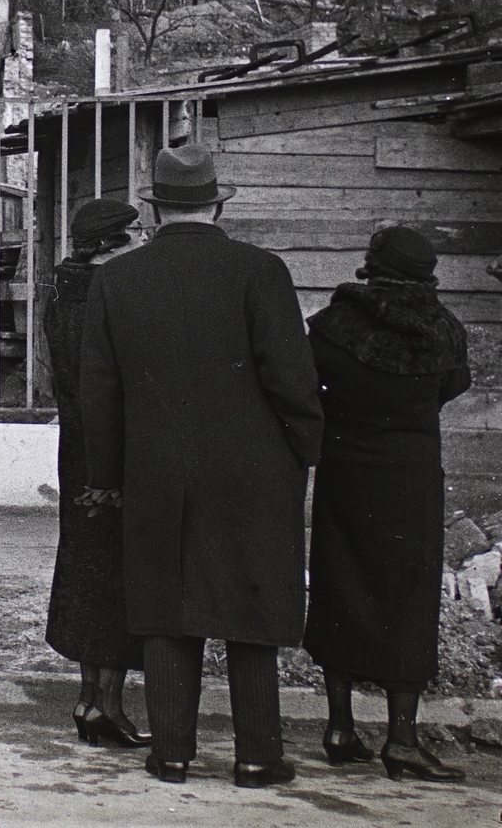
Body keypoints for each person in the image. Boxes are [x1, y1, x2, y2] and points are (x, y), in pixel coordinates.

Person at [80, 143, 322, 788]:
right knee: (251, 609)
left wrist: (107, 477)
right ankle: (257, 758)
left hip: (157, 471)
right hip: (255, 469)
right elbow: (291, 379)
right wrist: (306, 449)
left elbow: (99, 392)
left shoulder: (116, 278)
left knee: (166, 608)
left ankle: (172, 756)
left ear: (157, 210)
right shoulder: (260, 271)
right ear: (217, 203)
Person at [303, 226, 471, 783]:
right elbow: (453, 386)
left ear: (369, 267)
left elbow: (309, 387)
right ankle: (402, 739)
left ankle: (340, 727)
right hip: (411, 477)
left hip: (345, 471)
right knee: (408, 595)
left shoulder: (330, 328)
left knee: (339, 585)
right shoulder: (444, 331)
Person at [43, 196, 150, 749]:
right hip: (114, 449)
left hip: (76, 445)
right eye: (134, 238)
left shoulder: (62, 287)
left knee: (85, 567)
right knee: (116, 575)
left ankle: (88, 700)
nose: (142, 245)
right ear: (113, 246)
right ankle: (108, 706)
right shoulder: (111, 293)